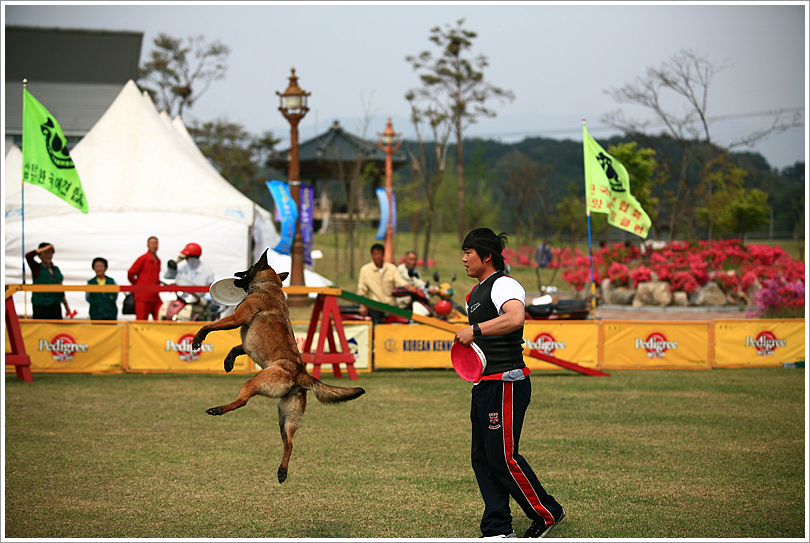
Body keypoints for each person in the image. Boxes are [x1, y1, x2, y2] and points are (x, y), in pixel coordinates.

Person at [453, 228, 565, 539]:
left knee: (503, 457)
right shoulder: (473, 294)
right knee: (483, 458)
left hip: (507, 383)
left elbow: (515, 318)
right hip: (484, 385)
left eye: (468, 252)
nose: (463, 258)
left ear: (486, 256)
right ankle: (497, 527)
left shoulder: (504, 284)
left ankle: (547, 513)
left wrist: (474, 330)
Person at [356, 243, 413, 323]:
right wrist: (362, 305)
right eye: (375, 254)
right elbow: (362, 290)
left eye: (379, 254)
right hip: (374, 305)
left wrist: (406, 285)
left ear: (383, 255)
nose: (377, 257)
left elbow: (398, 280)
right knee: (377, 325)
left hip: (390, 305)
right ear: (372, 255)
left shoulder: (391, 268)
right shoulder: (365, 270)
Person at [25, 242, 71, 319]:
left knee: (56, 329)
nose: (48, 256)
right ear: (40, 255)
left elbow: (60, 289)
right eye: (45, 253)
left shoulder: (56, 269)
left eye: (50, 253)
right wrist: (43, 249)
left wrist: (66, 306)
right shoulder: (37, 268)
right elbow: (28, 256)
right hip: (41, 305)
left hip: (56, 305)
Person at [127, 236, 162, 320]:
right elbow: (131, 272)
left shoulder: (158, 260)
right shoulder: (143, 259)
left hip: (154, 295)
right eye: (152, 243)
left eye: (156, 243)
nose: (154, 246)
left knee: (161, 316)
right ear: (148, 245)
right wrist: (137, 285)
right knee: (141, 321)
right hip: (143, 296)